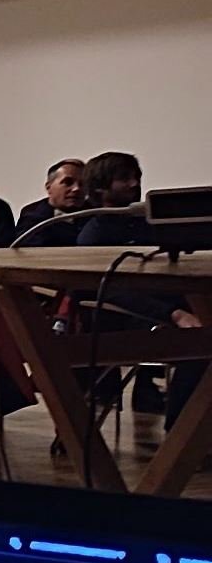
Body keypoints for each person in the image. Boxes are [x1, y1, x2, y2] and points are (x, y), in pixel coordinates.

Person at [73, 151, 204, 429]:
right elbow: (111, 291)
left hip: (171, 309)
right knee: (200, 345)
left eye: (137, 177)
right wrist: (174, 313)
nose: (135, 184)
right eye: (125, 179)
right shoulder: (94, 236)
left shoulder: (148, 226)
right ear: (100, 188)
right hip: (129, 318)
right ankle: (184, 434)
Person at [14, 159, 87, 247]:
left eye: (82, 184)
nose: (76, 189)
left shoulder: (96, 214)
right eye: (68, 182)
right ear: (48, 187)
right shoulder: (32, 215)